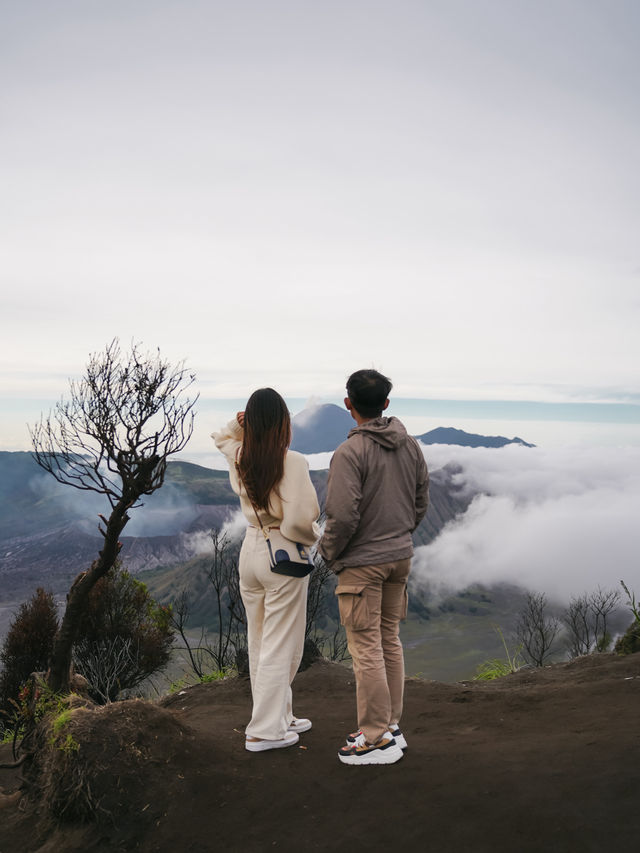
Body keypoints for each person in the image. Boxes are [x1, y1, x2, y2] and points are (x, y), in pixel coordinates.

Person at [318, 369, 429, 765]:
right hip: (400, 557)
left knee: (365, 648)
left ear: (349, 404)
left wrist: (328, 553)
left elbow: (342, 516)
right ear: (385, 403)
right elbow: (420, 502)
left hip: (363, 564)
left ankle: (375, 738)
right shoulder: (411, 446)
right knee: (388, 640)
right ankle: (390, 725)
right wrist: (399, 535)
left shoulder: (350, 453)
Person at [212, 388, 321, 752]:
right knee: (281, 644)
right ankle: (263, 731)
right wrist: (312, 537)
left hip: (250, 551)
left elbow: (221, 438)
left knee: (260, 640)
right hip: (282, 555)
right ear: (284, 423)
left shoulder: (241, 455)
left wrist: (237, 424)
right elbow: (302, 520)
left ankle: (279, 717)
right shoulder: (294, 462)